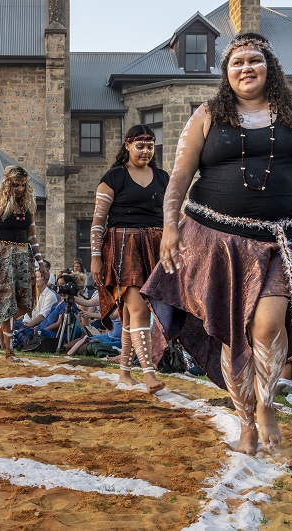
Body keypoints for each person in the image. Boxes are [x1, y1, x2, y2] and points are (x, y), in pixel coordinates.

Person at [142, 32, 292, 455]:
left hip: (282, 239)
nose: (246, 68)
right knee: (234, 332)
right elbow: (179, 175)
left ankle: (266, 404)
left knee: (268, 327)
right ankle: (245, 420)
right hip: (219, 240)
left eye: (254, 60)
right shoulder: (208, 115)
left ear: (270, 67)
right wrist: (170, 226)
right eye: (237, 63)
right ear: (226, 74)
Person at [89, 123, 168, 393]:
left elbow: (171, 216)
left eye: (150, 146)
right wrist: (95, 257)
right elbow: (98, 221)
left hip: (155, 247)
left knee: (128, 313)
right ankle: (149, 374)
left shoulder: (163, 177)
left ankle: (124, 373)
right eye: (140, 146)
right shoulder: (113, 178)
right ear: (127, 145)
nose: (145, 151)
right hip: (124, 247)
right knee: (138, 309)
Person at [0, 165, 45, 360]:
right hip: (2, 258)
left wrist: (40, 263)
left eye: (23, 185)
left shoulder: (27, 207)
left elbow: (33, 237)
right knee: (7, 303)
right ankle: (9, 350)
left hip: (23, 257)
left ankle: (1, 324)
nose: (20, 189)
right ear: (8, 184)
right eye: (16, 185)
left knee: (25, 303)